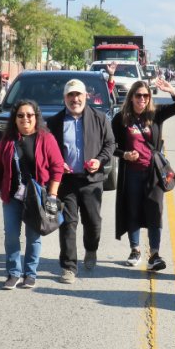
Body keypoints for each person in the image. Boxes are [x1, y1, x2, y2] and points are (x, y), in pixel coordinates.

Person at [0, 99, 63, 290]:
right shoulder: (8, 139)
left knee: (33, 236)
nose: (25, 119)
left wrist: (52, 194)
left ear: (36, 117)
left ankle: (30, 273)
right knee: (11, 236)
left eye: (29, 115)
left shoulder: (46, 138)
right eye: (20, 115)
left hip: (36, 198)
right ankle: (13, 273)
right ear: (15, 118)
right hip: (12, 196)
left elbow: (57, 167)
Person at [112, 78, 175, 271]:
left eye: (146, 95)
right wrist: (125, 154)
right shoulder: (121, 119)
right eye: (139, 95)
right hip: (132, 172)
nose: (142, 99)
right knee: (133, 209)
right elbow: (111, 146)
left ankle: (154, 254)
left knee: (155, 211)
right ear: (132, 97)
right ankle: (135, 250)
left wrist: (172, 90)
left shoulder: (156, 113)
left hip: (153, 172)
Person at [48, 79, 116, 284]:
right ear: (65, 98)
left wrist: (100, 160)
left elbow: (110, 143)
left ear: (85, 96)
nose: (74, 99)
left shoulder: (100, 118)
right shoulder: (54, 122)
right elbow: (48, 150)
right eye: (70, 95)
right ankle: (69, 266)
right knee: (68, 224)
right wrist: (59, 163)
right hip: (66, 182)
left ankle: (91, 249)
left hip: (91, 181)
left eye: (78, 95)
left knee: (93, 223)